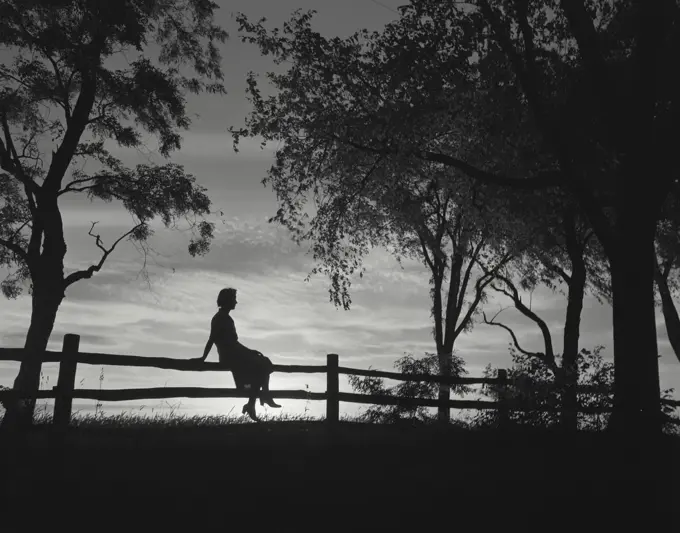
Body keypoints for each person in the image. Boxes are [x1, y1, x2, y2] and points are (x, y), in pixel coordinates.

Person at [199, 288, 281, 421]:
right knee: (263, 363)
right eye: (234, 299)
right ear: (227, 300)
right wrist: (203, 357)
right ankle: (261, 398)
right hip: (231, 357)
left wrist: (250, 351)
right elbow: (213, 339)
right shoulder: (220, 318)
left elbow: (234, 343)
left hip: (235, 355)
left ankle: (255, 401)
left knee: (264, 362)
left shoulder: (225, 318)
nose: (236, 302)